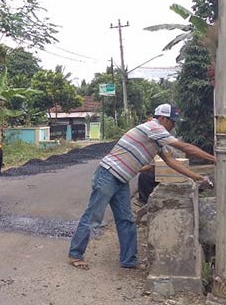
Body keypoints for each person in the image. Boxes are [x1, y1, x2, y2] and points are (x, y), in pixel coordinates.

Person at [68, 104, 217, 270]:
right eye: (171, 122)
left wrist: (198, 177)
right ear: (162, 118)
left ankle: (129, 261)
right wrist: (216, 159)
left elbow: (171, 161)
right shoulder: (154, 127)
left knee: (126, 220)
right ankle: (75, 254)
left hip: (121, 179)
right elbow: (185, 147)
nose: (173, 126)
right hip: (108, 175)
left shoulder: (157, 138)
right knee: (93, 216)